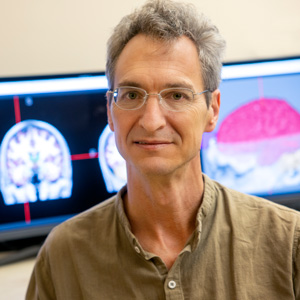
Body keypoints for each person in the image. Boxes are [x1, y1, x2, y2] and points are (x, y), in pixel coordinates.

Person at [26, 0, 300, 299]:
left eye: (177, 95)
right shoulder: (63, 256)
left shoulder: (287, 243)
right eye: (131, 94)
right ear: (109, 111)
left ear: (212, 110)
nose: (152, 121)